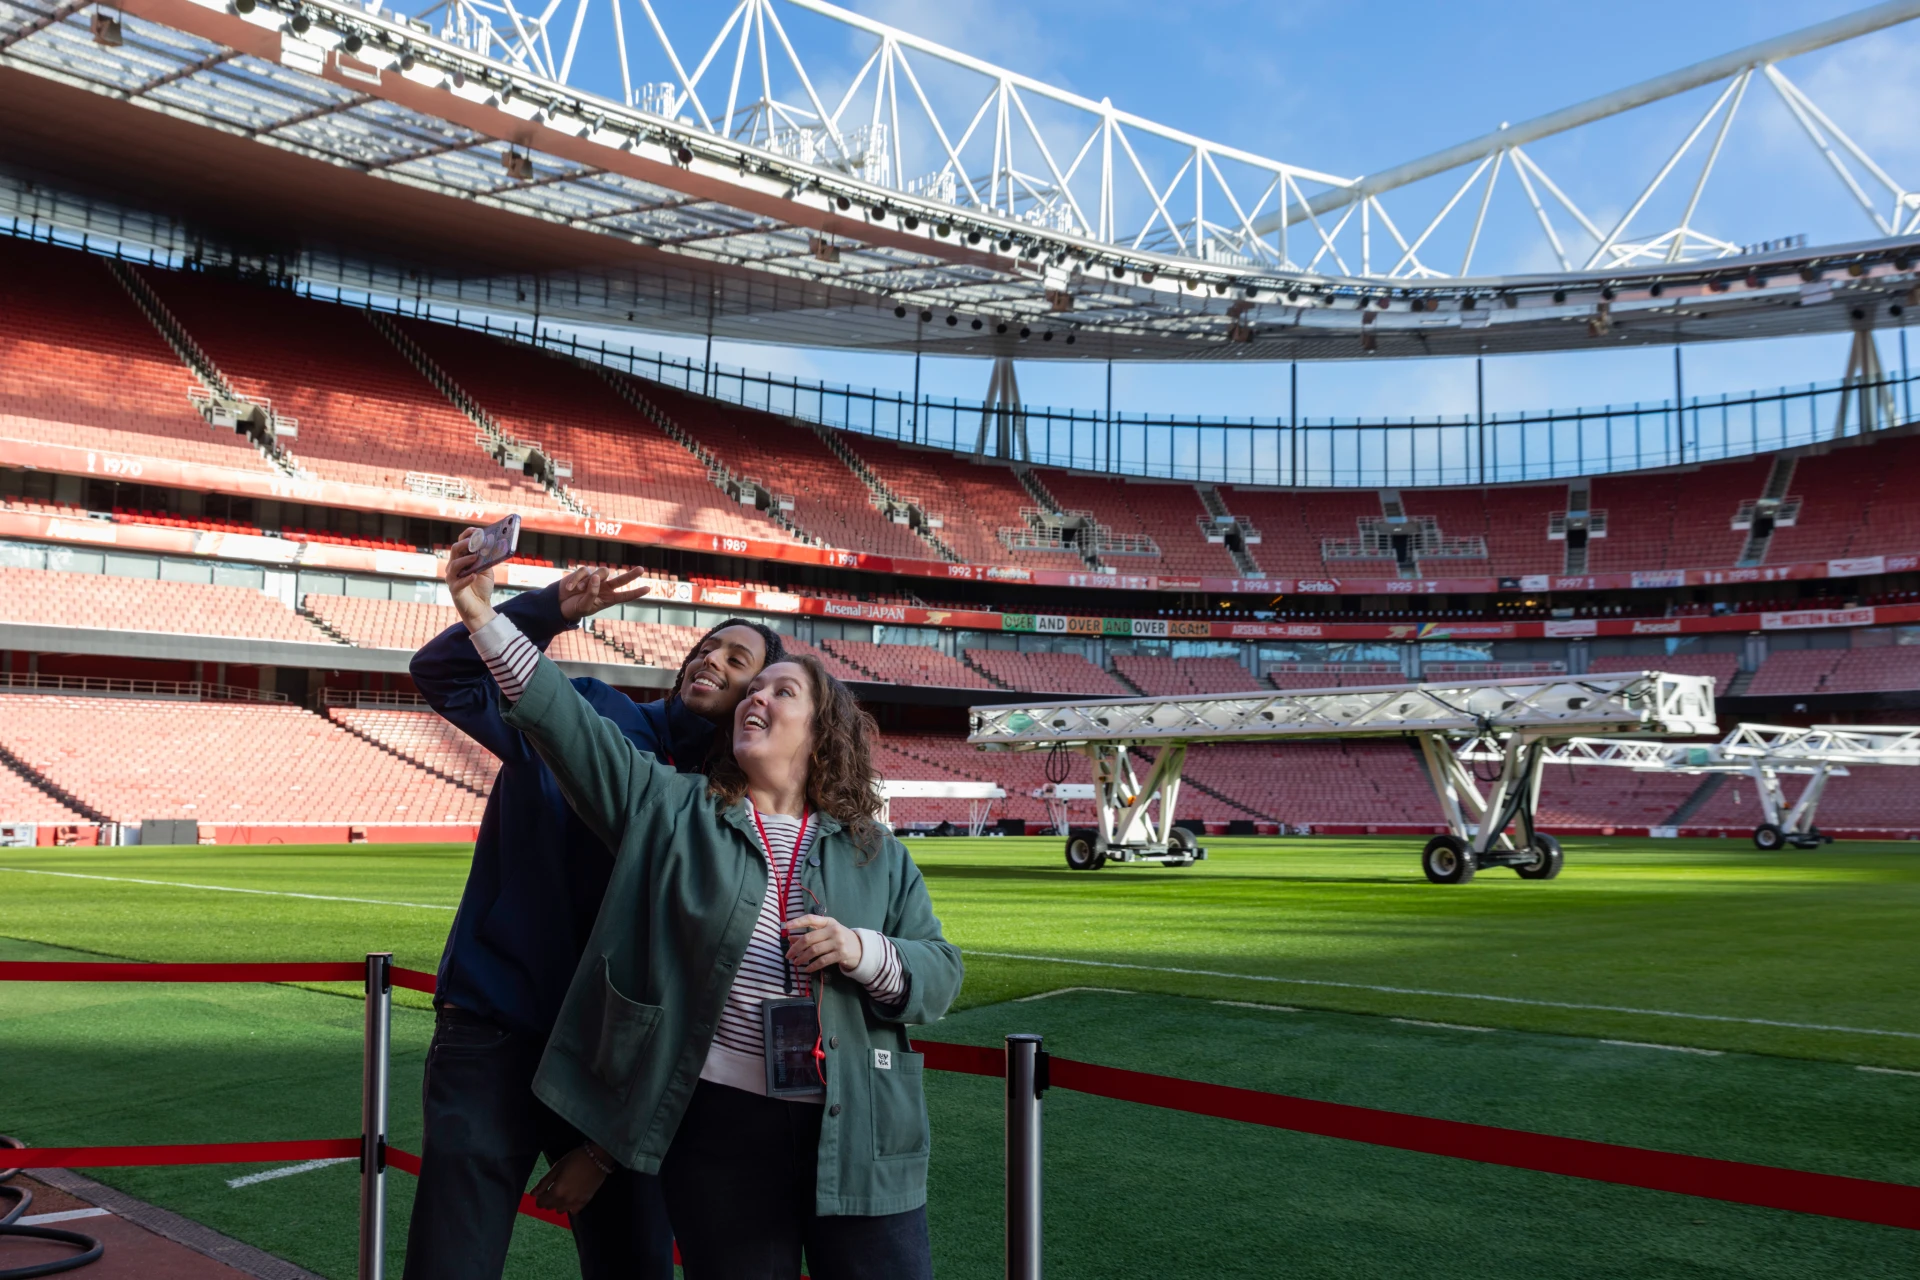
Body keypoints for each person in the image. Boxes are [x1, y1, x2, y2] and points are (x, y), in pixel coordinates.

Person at [445, 541, 963, 1280]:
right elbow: (566, 725)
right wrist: (485, 619)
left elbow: (941, 974)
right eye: (756, 691)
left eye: (783, 691)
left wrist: (861, 951)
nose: (756, 697)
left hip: (863, 1133)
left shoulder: (875, 851)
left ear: (822, 734)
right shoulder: (671, 809)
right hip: (720, 1141)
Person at [404, 538, 783, 1280]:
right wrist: (546, 612)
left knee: (637, 1266)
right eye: (709, 647)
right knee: (451, 1262)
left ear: (759, 699)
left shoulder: (732, 810)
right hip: (496, 1030)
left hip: (618, 1067)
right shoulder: (583, 705)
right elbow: (441, 674)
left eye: (738, 662)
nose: (713, 660)